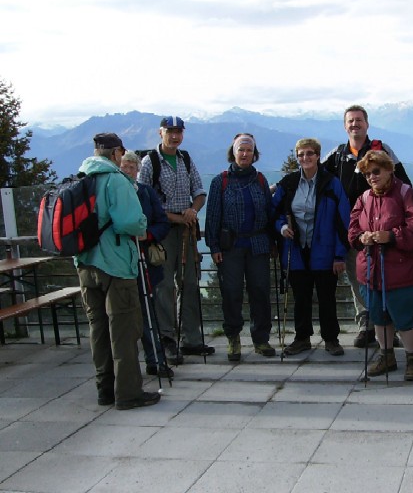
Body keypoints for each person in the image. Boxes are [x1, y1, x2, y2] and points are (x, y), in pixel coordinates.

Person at [75, 133, 160, 410]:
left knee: (97, 329)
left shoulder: (81, 178)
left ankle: (104, 390)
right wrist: (142, 220)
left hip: (85, 264)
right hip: (116, 265)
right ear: (115, 153)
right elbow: (132, 223)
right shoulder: (116, 180)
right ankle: (128, 393)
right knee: (123, 329)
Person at [322, 105, 411, 349]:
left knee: (383, 279)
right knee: (357, 279)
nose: (355, 125)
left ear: (367, 124)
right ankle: (366, 327)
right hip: (352, 231)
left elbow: (404, 182)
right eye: (350, 121)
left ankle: (388, 329)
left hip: (383, 230)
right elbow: (312, 175)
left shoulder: (381, 150)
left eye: (359, 120)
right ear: (344, 126)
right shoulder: (337, 155)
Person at [348, 150, 413, 381]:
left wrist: (391, 236)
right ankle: (387, 356)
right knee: (377, 315)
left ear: (388, 170)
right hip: (371, 269)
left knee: (403, 316)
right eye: (367, 174)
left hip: (400, 269)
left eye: (376, 171)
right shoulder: (363, 199)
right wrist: (361, 238)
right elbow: (353, 229)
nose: (371, 177)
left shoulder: (406, 194)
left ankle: (412, 358)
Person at [138, 116, 213, 364]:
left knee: (190, 283)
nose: (175, 136)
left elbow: (200, 192)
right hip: (162, 232)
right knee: (164, 287)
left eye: (179, 131)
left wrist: (192, 210)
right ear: (160, 133)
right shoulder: (150, 163)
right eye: (170, 131)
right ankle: (167, 339)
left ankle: (191, 339)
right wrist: (174, 217)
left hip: (187, 229)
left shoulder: (186, 160)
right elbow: (143, 200)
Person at [272, 138, 350, 357]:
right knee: (300, 297)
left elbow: (343, 219)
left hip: (325, 251)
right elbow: (274, 212)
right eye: (300, 154)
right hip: (295, 250)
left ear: (318, 156)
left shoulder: (331, 183)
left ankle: (331, 339)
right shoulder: (288, 184)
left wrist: (339, 255)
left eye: (309, 153)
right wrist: (282, 227)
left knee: (327, 296)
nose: (304, 158)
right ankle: (302, 338)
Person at [205, 134, 276, 361]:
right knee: (231, 293)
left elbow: (269, 212)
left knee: (260, 292)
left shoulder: (261, 180)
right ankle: (233, 339)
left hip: (258, 244)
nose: (244, 154)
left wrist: (274, 241)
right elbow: (213, 216)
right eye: (241, 150)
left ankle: (261, 339)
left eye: (249, 150)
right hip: (230, 246)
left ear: (254, 154)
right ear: (233, 153)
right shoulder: (220, 181)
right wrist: (214, 246)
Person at [120, 151, 173, 378]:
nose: (128, 171)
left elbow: (162, 222)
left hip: (145, 261)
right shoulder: (115, 194)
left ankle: (156, 360)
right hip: (123, 261)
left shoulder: (146, 192)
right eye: (124, 166)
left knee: (148, 313)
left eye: (132, 167)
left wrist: (147, 235)